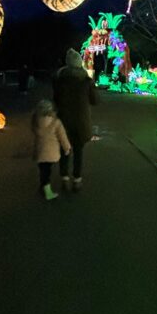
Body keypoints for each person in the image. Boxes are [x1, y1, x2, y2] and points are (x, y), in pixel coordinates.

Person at [53, 48, 98, 192]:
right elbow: (94, 100)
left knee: (64, 150)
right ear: (79, 63)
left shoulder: (59, 79)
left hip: (63, 121)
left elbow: (56, 99)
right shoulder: (86, 81)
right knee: (78, 151)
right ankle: (77, 180)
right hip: (81, 122)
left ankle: (64, 178)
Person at [32, 99, 71, 201]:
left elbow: (33, 131)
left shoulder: (35, 121)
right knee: (47, 172)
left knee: (42, 170)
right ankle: (48, 193)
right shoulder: (56, 122)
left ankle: (43, 187)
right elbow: (62, 137)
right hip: (51, 153)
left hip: (39, 151)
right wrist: (67, 148)